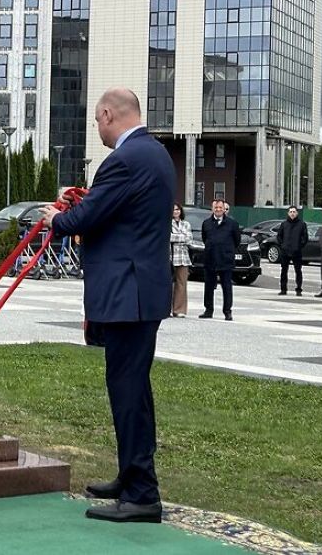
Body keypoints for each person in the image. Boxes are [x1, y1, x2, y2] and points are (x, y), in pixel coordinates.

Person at [42, 87, 172, 525]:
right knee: (134, 390)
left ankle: (141, 493)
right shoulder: (155, 154)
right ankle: (132, 476)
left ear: (107, 113)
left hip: (128, 295)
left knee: (129, 393)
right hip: (140, 292)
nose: (97, 128)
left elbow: (87, 217)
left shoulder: (125, 159)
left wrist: (54, 219)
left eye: (97, 121)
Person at [199, 199, 241, 320]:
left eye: (220, 208)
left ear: (224, 209)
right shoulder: (206, 223)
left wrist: (228, 251)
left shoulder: (232, 224)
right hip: (210, 259)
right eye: (216, 207)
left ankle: (227, 311)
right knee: (208, 287)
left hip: (225, 259)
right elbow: (204, 238)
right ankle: (208, 309)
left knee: (227, 287)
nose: (218, 210)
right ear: (212, 209)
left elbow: (236, 241)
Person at [275, 206, 308, 296]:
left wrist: (299, 246)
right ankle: (283, 289)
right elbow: (279, 236)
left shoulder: (302, 224)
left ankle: (298, 289)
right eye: (290, 212)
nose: (292, 213)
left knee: (298, 271)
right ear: (288, 213)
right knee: (283, 271)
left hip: (296, 252)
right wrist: (282, 245)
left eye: (294, 212)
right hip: (285, 252)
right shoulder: (284, 224)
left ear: (297, 213)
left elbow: (305, 238)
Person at [169, 203, 192, 317]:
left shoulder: (186, 224)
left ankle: (179, 310)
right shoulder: (167, 223)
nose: (176, 211)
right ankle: (166, 308)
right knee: (168, 284)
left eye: (177, 209)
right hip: (170, 256)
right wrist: (181, 237)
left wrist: (176, 236)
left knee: (182, 284)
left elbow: (189, 239)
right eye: (173, 210)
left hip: (183, 257)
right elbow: (168, 237)